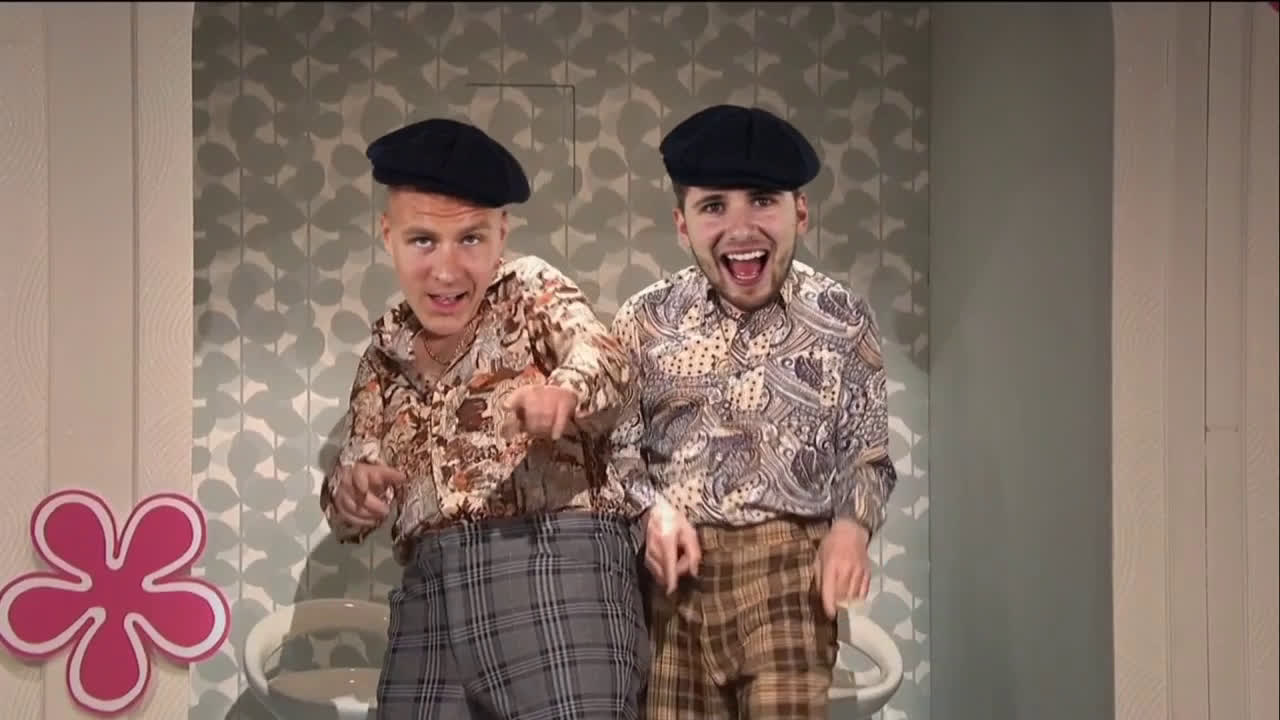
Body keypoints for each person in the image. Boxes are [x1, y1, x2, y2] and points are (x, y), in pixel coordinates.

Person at [318, 117, 648, 720]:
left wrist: (564, 392)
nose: (446, 271)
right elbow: (351, 481)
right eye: (423, 241)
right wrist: (351, 494)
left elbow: (604, 356)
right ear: (388, 235)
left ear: (501, 234)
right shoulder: (384, 351)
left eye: (470, 239)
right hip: (427, 590)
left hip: (548, 566)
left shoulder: (527, 290)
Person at [607, 104, 898, 719]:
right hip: (674, 582)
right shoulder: (643, 321)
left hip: (788, 574)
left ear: (800, 212)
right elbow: (617, 451)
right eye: (714, 206)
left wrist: (851, 530)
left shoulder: (843, 317)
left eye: (762, 200)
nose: (740, 228)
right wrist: (653, 513)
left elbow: (867, 454)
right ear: (683, 225)